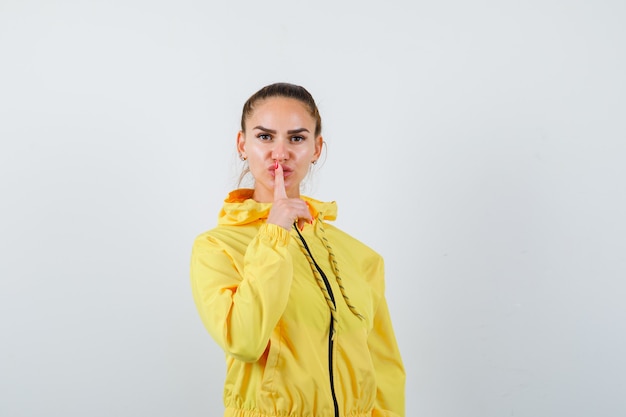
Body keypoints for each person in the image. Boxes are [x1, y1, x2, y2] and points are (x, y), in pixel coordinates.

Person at [190, 82, 405, 417]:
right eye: (264, 137)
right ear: (242, 144)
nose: (280, 152)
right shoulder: (217, 247)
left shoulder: (360, 257)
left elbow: (385, 366)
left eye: (297, 138)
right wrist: (275, 232)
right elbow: (244, 342)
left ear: (317, 148)